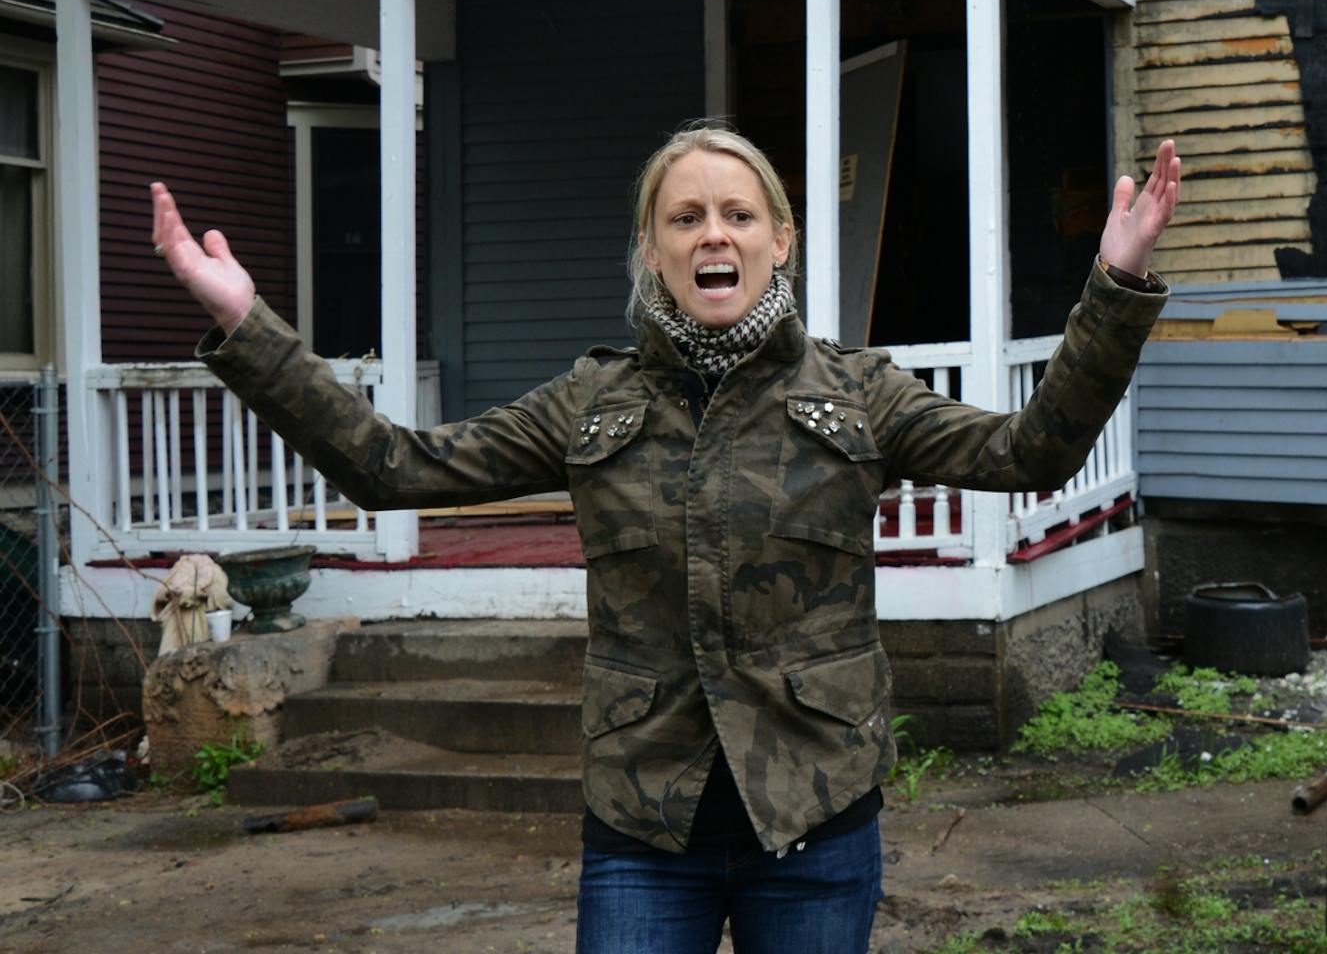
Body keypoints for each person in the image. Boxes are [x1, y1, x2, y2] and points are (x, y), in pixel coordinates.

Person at [149, 123, 1180, 954]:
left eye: (737, 212)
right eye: (684, 216)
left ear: (782, 238)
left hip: (817, 816)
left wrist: (1116, 289)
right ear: (653, 248)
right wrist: (250, 329)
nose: (711, 234)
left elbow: (1032, 450)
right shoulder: (593, 400)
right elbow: (394, 465)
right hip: (646, 824)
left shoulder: (857, 393)